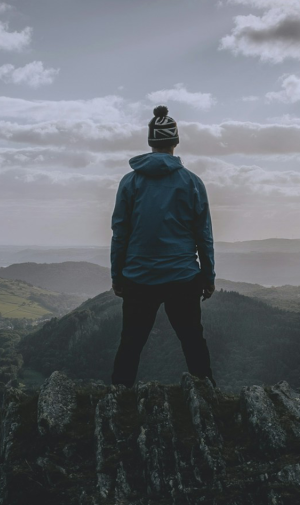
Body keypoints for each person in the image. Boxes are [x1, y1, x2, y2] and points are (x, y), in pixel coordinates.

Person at [109, 105, 215, 387]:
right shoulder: (191, 182)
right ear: (175, 142)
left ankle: (119, 402)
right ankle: (208, 400)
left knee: (130, 344)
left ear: (150, 142)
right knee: (193, 342)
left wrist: (117, 275)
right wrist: (208, 276)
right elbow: (203, 234)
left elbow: (120, 233)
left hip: (138, 277)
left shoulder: (130, 183)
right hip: (183, 276)